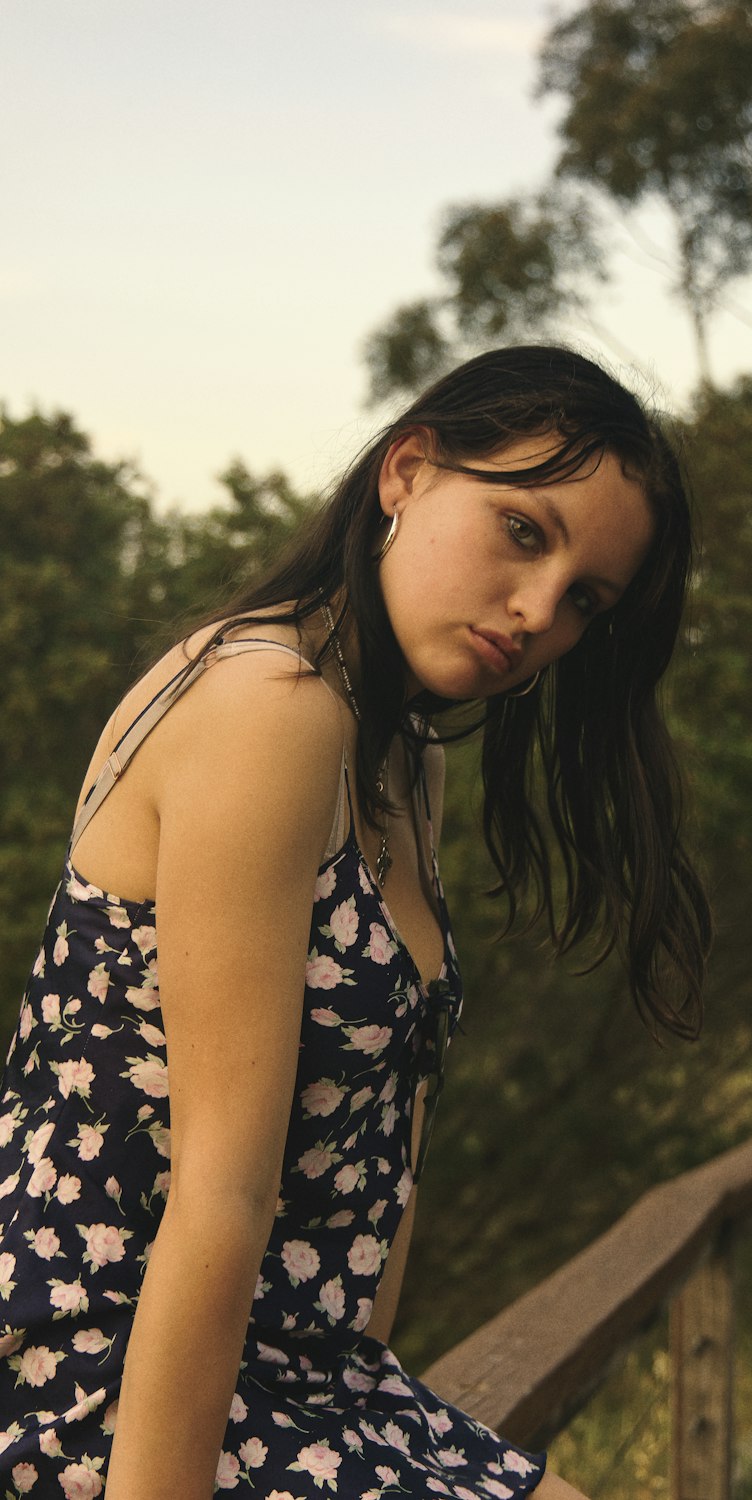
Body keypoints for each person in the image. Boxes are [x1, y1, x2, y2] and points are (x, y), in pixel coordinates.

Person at [0, 344, 711, 1499]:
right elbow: (219, 1192)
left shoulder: (400, 751)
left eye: (586, 597)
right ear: (407, 471)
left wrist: (378, 1402)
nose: (537, 612)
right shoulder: (264, 708)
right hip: (106, 1377)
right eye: (522, 532)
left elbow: (388, 1147)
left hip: (304, 1378)